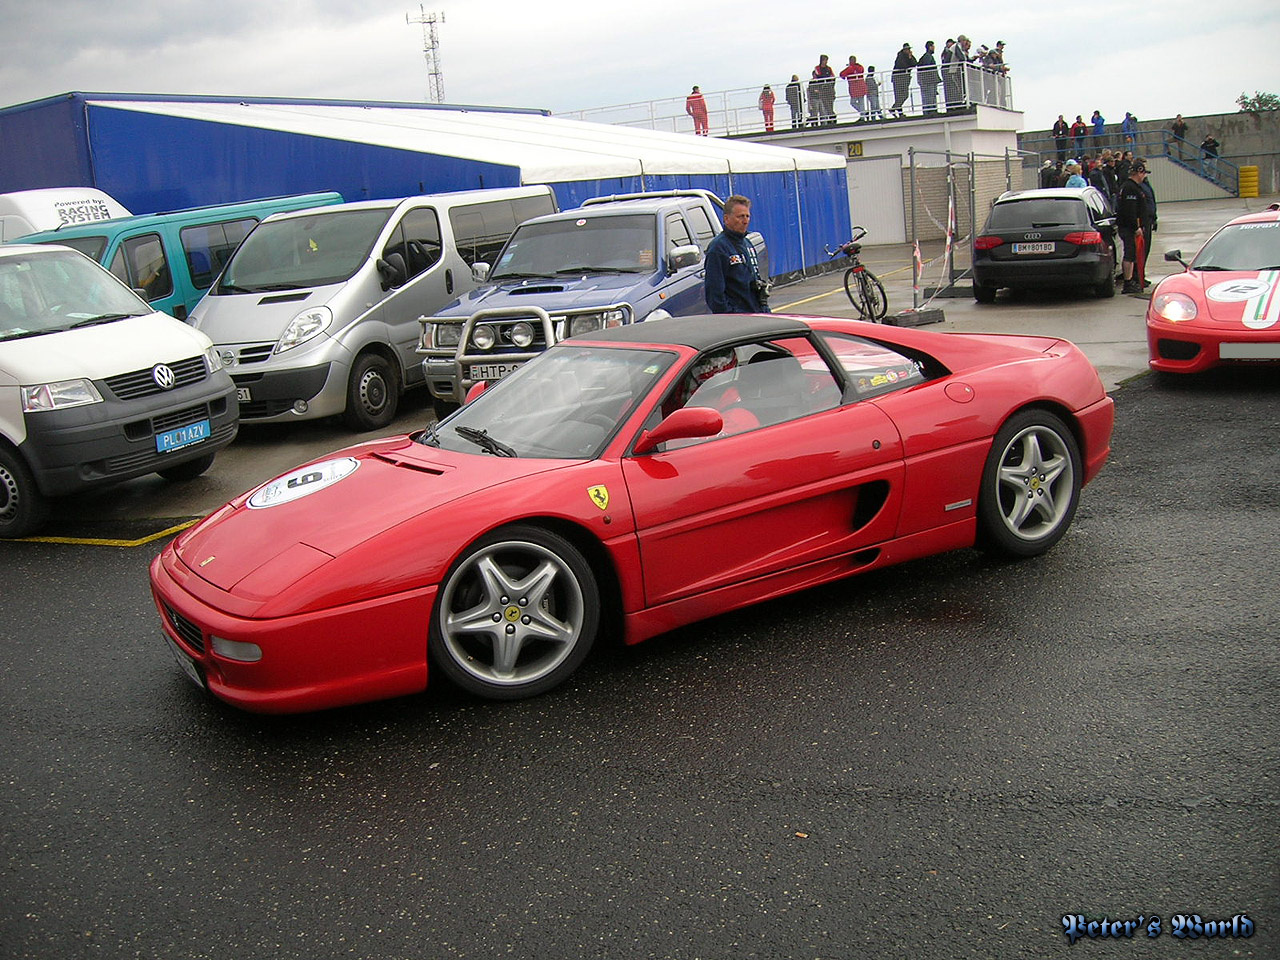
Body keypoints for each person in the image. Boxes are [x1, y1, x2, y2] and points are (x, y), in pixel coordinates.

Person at [705, 196, 769, 314]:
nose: (745, 221)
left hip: (757, 313)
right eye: (740, 216)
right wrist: (730, 315)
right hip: (737, 319)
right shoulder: (718, 248)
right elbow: (714, 294)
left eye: (747, 216)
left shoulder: (747, 244)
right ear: (726, 219)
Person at [1116, 160, 1148, 294]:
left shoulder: (1131, 186)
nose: (1144, 176)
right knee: (1129, 254)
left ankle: (1131, 280)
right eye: (1144, 173)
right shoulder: (1130, 188)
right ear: (1139, 172)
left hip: (1130, 227)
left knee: (1132, 253)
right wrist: (1136, 227)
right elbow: (1130, 211)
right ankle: (1128, 282)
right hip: (1129, 228)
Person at [1138, 166, 1157, 288]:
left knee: (1146, 250)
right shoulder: (1139, 187)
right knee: (1142, 251)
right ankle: (1139, 277)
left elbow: (1152, 201)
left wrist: (1154, 218)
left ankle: (1141, 275)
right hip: (1144, 221)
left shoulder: (1145, 185)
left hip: (1149, 219)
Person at [890, 42, 917, 117]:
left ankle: (897, 110)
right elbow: (902, 66)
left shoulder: (908, 56)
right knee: (902, 95)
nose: (908, 50)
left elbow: (915, 63)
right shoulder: (900, 56)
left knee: (903, 95)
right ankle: (895, 109)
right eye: (907, 49)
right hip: (899, 78)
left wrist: (910, 57)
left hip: (904, 77)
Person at [917, 41, 941, 114]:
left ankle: (930, 111)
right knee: (930, 98)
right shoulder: (928, 56)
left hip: (928, 81)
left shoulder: (926, 56)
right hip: (929, 81)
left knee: (929, 98)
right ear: (930, 47)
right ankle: (930, 112)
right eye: (933, 46)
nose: (934, 48)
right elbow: (926, 67)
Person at [811, 55, 836, 125]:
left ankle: (832, 119)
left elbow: (833, 77)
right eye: (825, 60)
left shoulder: (829, 68)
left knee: (830, 105)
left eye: (826, 60)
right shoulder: (817, 68)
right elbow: (819, 75)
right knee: (825, 105)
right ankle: (829, 119)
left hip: (829, 89)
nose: (826, 62)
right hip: (822, 90)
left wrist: (831, 85)